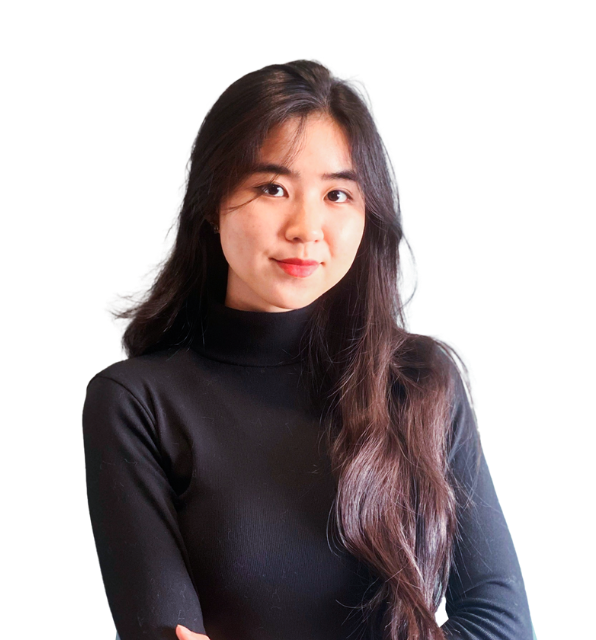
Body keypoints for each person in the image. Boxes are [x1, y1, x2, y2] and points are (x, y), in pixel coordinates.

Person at [82, 58, 535, 640]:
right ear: (212, 202)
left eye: (338, 194)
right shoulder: (135, 404)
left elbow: (502, 624)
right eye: (272, 188)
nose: (305, 227)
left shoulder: (418, 380)